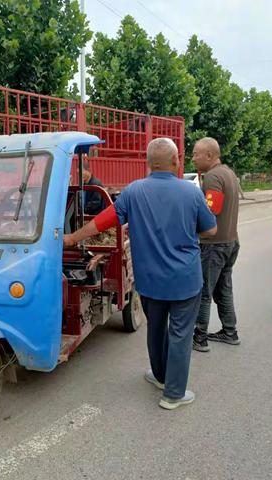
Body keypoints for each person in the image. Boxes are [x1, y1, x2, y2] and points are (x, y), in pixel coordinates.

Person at [64, 138, 217, 409]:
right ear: (175, 161)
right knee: (180, 334)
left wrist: (71, 239)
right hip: (185, 280)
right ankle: (173, 393)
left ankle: (160, 377)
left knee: (155, 329)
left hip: (149, 280)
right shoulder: (191, 192)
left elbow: (101, 223)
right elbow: (210, 230)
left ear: (148, 164)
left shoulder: (134, 192)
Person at [191, 137, 241, 352]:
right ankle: (230, 331)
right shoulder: (228, 173)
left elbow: (212, 212)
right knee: (224, 288)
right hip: (231, 242)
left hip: (214, 245)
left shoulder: (212, 177)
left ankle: (200, 337)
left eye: (196, 154)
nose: (193, 158)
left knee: (204, 291)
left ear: (209, 155)